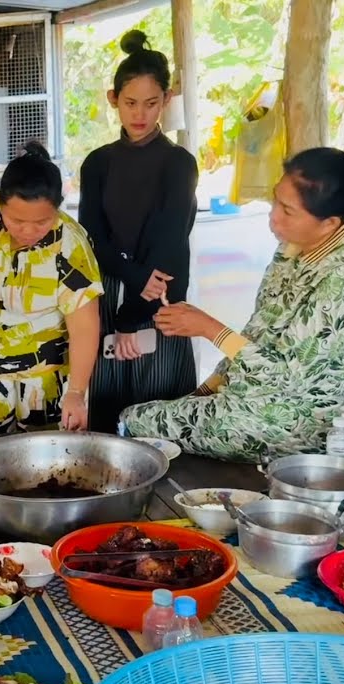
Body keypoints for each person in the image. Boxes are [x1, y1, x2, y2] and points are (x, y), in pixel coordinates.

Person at [122, 147, 344, 462]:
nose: (274, 216)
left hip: (295, 426)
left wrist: (207, 328)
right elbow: (259, 331)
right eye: (276, 200)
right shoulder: (293, 249)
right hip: (251, 400)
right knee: (139, 416)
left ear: (329, 224)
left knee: (132, 422)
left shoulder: (343, 282)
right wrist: (204, 391)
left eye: (288, 211)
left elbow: (284, 376)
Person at [0, 141, 103, 437]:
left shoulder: (71, 244)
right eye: (17, 220)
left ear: (57, 210)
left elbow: (85, 325)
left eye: (41, 222)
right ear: (0, 203)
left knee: (46, 460)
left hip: (46, 377)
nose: (28, 230)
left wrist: (76, 392)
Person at [79, 30, 200, 433]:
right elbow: (91, 237)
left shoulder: (178, 163)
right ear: (113, 99)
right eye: (130, 103)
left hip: (160, 303)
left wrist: (136, 312)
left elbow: (170, 240)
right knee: (109, 418)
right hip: (111, 295)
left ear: (167, 99)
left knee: (162, 420)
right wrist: (129, 292)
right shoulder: (97, 164)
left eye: (151, 103)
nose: (140, 114)